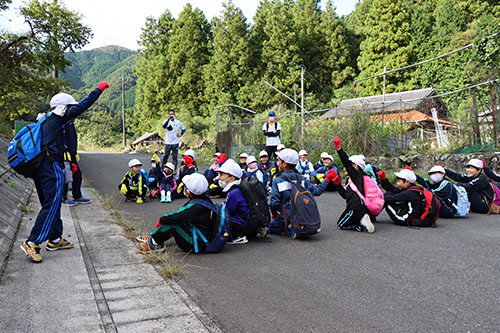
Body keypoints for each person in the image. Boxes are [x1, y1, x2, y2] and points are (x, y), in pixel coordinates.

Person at [20, 82, 109, 263]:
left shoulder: (45, 119)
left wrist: (71, 162)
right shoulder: (59, 117)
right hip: (51, 167)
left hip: (40, 167)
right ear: (64, 107)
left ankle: (54, 238)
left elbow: (60, 144)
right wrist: (98, 90)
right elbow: (84, 105)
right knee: (51, 204)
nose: (73, 110)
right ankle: (32, 241)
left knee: (50, 203)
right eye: (71, 107)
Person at [135, 174, 217, 253]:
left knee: (173, 223)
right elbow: (181, 214)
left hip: (196, 243)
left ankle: (154, 243)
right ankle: (155, 236)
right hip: (199, 234)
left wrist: (162, 220)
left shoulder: (195, 207)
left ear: (189, 191)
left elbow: (176, 217)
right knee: (173, 219)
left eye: (185, 187)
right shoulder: (203, 199)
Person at [268, 148, 338, 235]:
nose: (277, 163)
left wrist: (274, 214)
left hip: (287, 215)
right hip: (302, 213)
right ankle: (299, 225)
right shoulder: (301, 179)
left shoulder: (278, 180)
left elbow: (274, 202)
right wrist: (327, 179)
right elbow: (317, 191)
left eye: (279, 160)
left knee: (269, 228)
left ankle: (292, 228)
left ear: (285, 164)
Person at [332, 137, 375, 233]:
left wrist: (339, 148)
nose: (345, 168)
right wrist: (337, 184)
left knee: (341, 224)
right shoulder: (352, 180)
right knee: (343, 220)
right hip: (355, 208)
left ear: (355, 166)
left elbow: (346, 163)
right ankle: (361, 218)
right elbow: (345, 196)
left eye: (350, 165)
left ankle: (359, 225)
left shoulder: (357, 175)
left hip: (355, 209)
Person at [216, 160, 255, 244]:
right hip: (251, 224)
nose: (219, 177)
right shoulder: (238, 187)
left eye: (222, 175)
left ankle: (237, 236)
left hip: (245, 226)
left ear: (232, 178)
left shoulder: (234, 192)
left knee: (220, 218)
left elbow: (227, 211)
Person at [61, 120, 91, 206]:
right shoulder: (60, 120)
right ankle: (64, 198)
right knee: (66, 175)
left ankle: (77, 196)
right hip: (64, 154)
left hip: (72, 154)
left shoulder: (69, 121)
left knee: (77, 174)